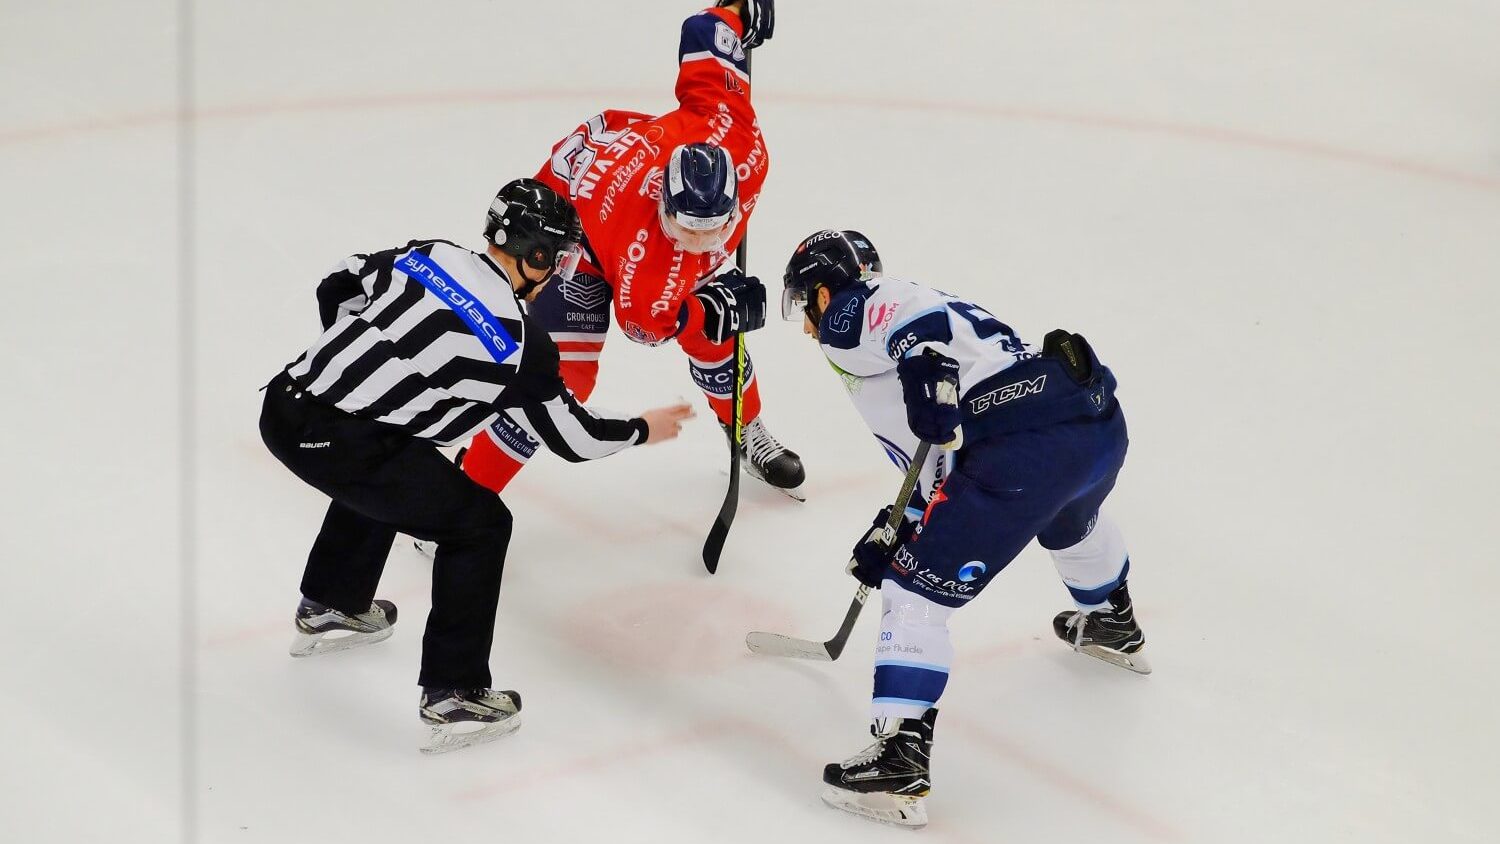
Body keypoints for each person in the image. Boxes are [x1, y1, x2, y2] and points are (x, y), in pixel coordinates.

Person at [259, 179, 693, 754]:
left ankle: (334, 603)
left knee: (398, 459)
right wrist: (642, 428)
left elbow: (339, 283)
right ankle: (454, 693)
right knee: (481, 526)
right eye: (558, 259)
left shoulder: (430, 254)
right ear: (536, 256)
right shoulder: (520, 342)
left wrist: (358, 366)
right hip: (343, 444)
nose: (559, 272)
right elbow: (573, 438)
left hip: (283, 406)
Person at [780, 230, 1150, 827]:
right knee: (1070, 521)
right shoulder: (937, 334)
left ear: (823, 291)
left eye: (805, 304)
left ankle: (899, 761)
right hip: (1089, 423)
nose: (806, 325)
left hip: (1019, 449)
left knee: (913, 590)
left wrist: (923, 360)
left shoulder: (855, 306)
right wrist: (895, 527)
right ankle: (1113, 619)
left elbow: (908, 319)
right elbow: (942, 457)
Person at [457, 0, 805, 500]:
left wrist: (732, 10)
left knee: (718, 335)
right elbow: (647, 326)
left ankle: (745, 429)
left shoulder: (741, 142)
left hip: (621, 150)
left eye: (712, 231)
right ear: (662, 202)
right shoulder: (647, 267)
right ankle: (461, 493)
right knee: (562, 378)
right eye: (685, 231)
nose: (701, 244)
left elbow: (702, 33)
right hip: (575, 223)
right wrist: (703, 310)